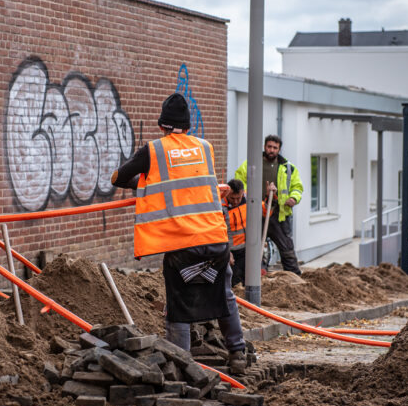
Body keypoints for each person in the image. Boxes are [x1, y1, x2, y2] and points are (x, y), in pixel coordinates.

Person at [111, 93, 247, 373]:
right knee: (224, 296)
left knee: (179, 304)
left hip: (183, 246)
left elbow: (118, 178)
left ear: (162, 126)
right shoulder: (205, 148)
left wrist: (145, 182)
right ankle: (238, 355)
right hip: (216, 241)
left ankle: (183, 367)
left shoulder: (154, 151)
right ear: (188, 126)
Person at [235, 134, 303, 275]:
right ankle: (257, 276)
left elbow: (297, 187)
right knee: (254, 247)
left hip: (279, 214)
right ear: (264, 147)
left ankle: (294, 277)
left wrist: (294, 198)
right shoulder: (251, 164)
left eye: (275, 148)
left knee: (286, 248)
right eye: (269, 147)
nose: (271, 150)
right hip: (257, 212)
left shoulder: (287, 168)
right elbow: (240, 182)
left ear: (279, 149)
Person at [224, 179, 247, 287]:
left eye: (239, 198)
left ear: (242, 192)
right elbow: (220, 232)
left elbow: (265, 210)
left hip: (246, 249)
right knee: (235, 282)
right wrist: (227, 251)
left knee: (248, 280)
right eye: (232, 198)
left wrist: (271, 197)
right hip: (232, 252)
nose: (236, 201)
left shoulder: (248, 200)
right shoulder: (221, 207)